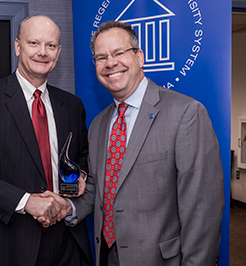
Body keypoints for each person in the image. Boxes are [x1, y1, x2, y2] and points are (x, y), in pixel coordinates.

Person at [70, 21, 224, 265]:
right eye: (101, 57)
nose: (110, 63)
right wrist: (66, 208)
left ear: (139, 57)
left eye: (119, 53)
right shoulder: (99, 124)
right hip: (107, 256)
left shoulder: (186, 113)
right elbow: (101, 189)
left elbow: (202, 210)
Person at [0, 15, 93, 266]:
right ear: (18, 46)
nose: (42, 52)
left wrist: (79, 176)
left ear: (58, 52)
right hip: (9, 242)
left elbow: (80, 157)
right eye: (34, 43)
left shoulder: (72, 105)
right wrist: (27, 202)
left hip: (66, 239)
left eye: (50, 45)